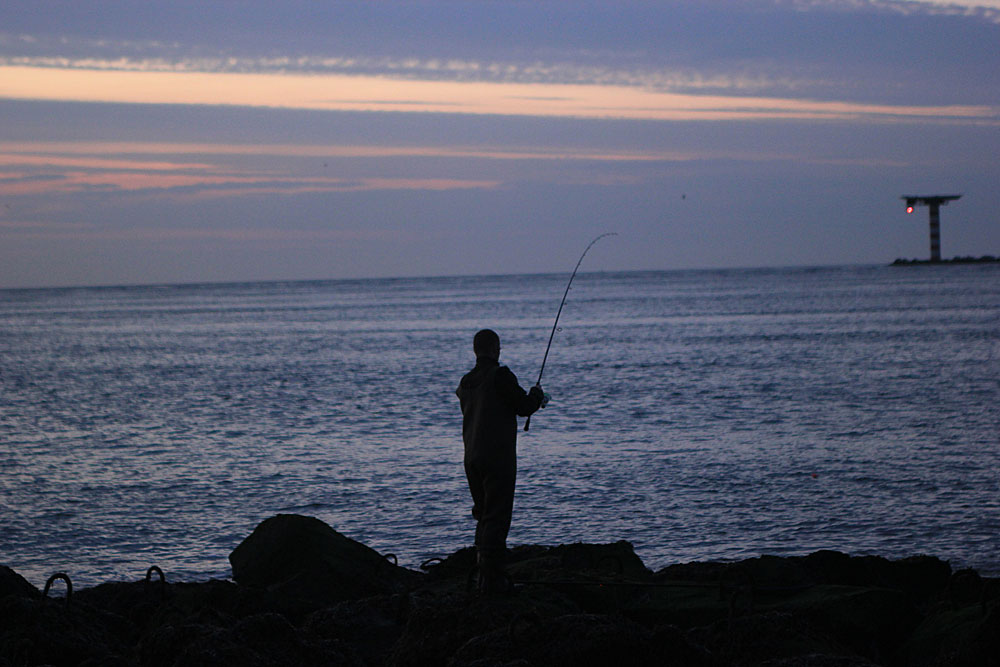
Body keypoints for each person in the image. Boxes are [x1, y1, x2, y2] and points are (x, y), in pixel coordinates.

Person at [456, 329, 545, 593]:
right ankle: (492, 582)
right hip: (497, 456)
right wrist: (537, 395)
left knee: (483, 515)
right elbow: (524, 406)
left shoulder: (465, 382)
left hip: (471, 456)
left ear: (476, 351)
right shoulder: (500, 375)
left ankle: (482, 575)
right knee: (497, 516)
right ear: (495, 349)